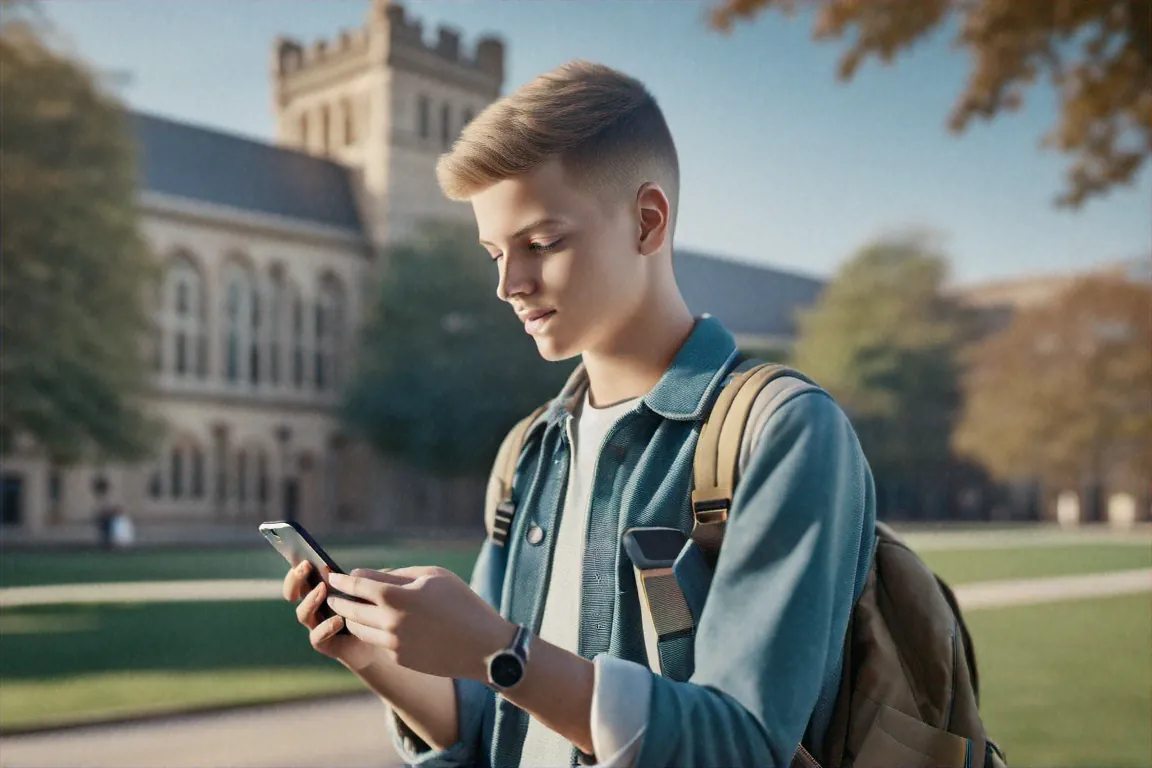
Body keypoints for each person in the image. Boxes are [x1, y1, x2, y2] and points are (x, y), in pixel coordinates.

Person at [282, 60, 876, 768]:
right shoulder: (528, 451)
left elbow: (743, 746)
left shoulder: (783, 431)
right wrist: (383, 659)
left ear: (648, 222)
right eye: (495, 253)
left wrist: (501, 651)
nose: (508, 285)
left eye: (541, 244)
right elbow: (496, 725)